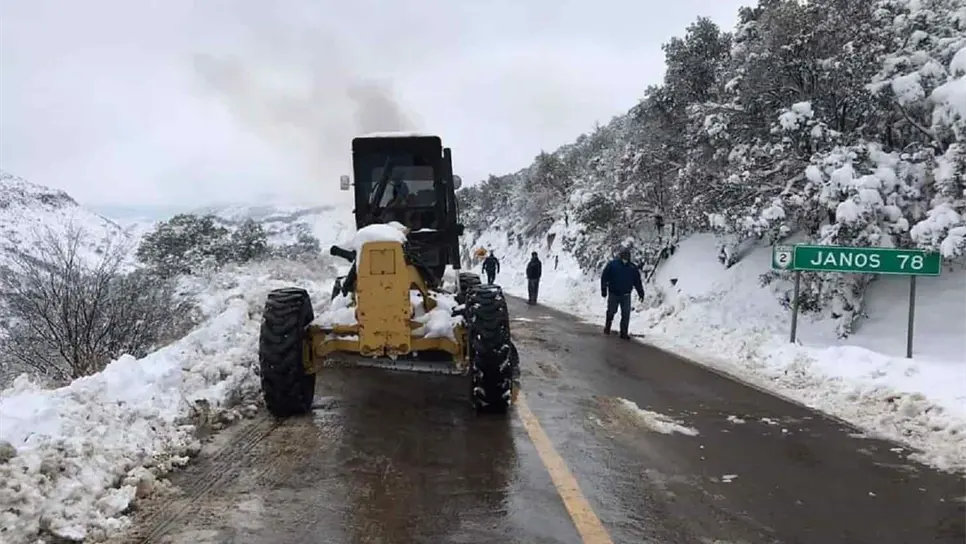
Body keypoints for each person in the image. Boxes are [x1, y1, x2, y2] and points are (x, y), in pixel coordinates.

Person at [600, 248, 644, 339]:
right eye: (624, 256)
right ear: (620, 256)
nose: (625, 258)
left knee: (626, 314)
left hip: (626, 295)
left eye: (627, 257)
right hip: (613, 293)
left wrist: (641, 293)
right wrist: (603, 290)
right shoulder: (612, 265)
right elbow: (604, 277)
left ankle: (624, 333)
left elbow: (637, 282)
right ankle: (608, 326)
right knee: (611, 311)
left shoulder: (632, 268)